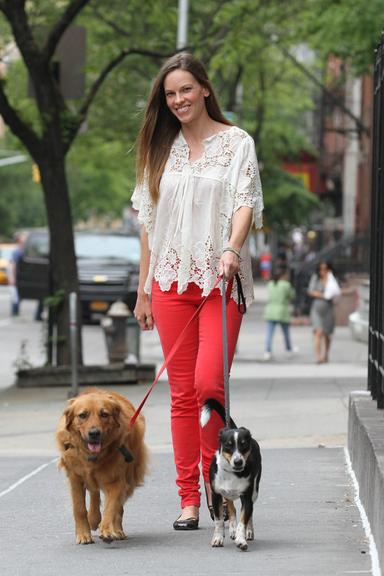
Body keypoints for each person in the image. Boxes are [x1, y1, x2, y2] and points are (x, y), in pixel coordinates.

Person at [132, 52, 263, 530]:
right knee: (182, 396)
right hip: (169, 283)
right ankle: (190, 498)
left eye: (185, 89)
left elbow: (245, 202)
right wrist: (143, 290)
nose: (178, 99)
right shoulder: (159, 149)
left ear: (204, 89)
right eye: (170, 94)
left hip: (220, 283)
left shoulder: (236, 143)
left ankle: (219, 478)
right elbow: (150, 224)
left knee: (210, 385)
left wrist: (232, 247)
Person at [307, 260, 341, 364]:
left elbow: (337, 291)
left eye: (325, 269)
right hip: (317, 307)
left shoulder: (332, 279)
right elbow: (311, 291)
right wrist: (323, 295)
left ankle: (326, 354)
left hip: (328, 308)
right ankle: (318, 357)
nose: (323, 271)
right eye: (321, 269)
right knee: (318, 332)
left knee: (327, 333)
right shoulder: (316, 278)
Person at [263, 266, 295, 361]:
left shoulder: (270, 284)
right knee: (285, 332)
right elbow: (292, 295)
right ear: (284, 275)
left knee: (269, 333)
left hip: (270, 310)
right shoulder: (286, 285)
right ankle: (288, 349)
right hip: (282, 310)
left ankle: (267, 351)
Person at [8, 233, 25, 316]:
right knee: (15, 293)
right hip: (16, 274)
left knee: (18, 293)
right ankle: (15, 311)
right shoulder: (17, 251)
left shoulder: (22, 250)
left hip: (19, 275)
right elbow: (13, 265)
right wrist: (13, 277)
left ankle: (16, 310)